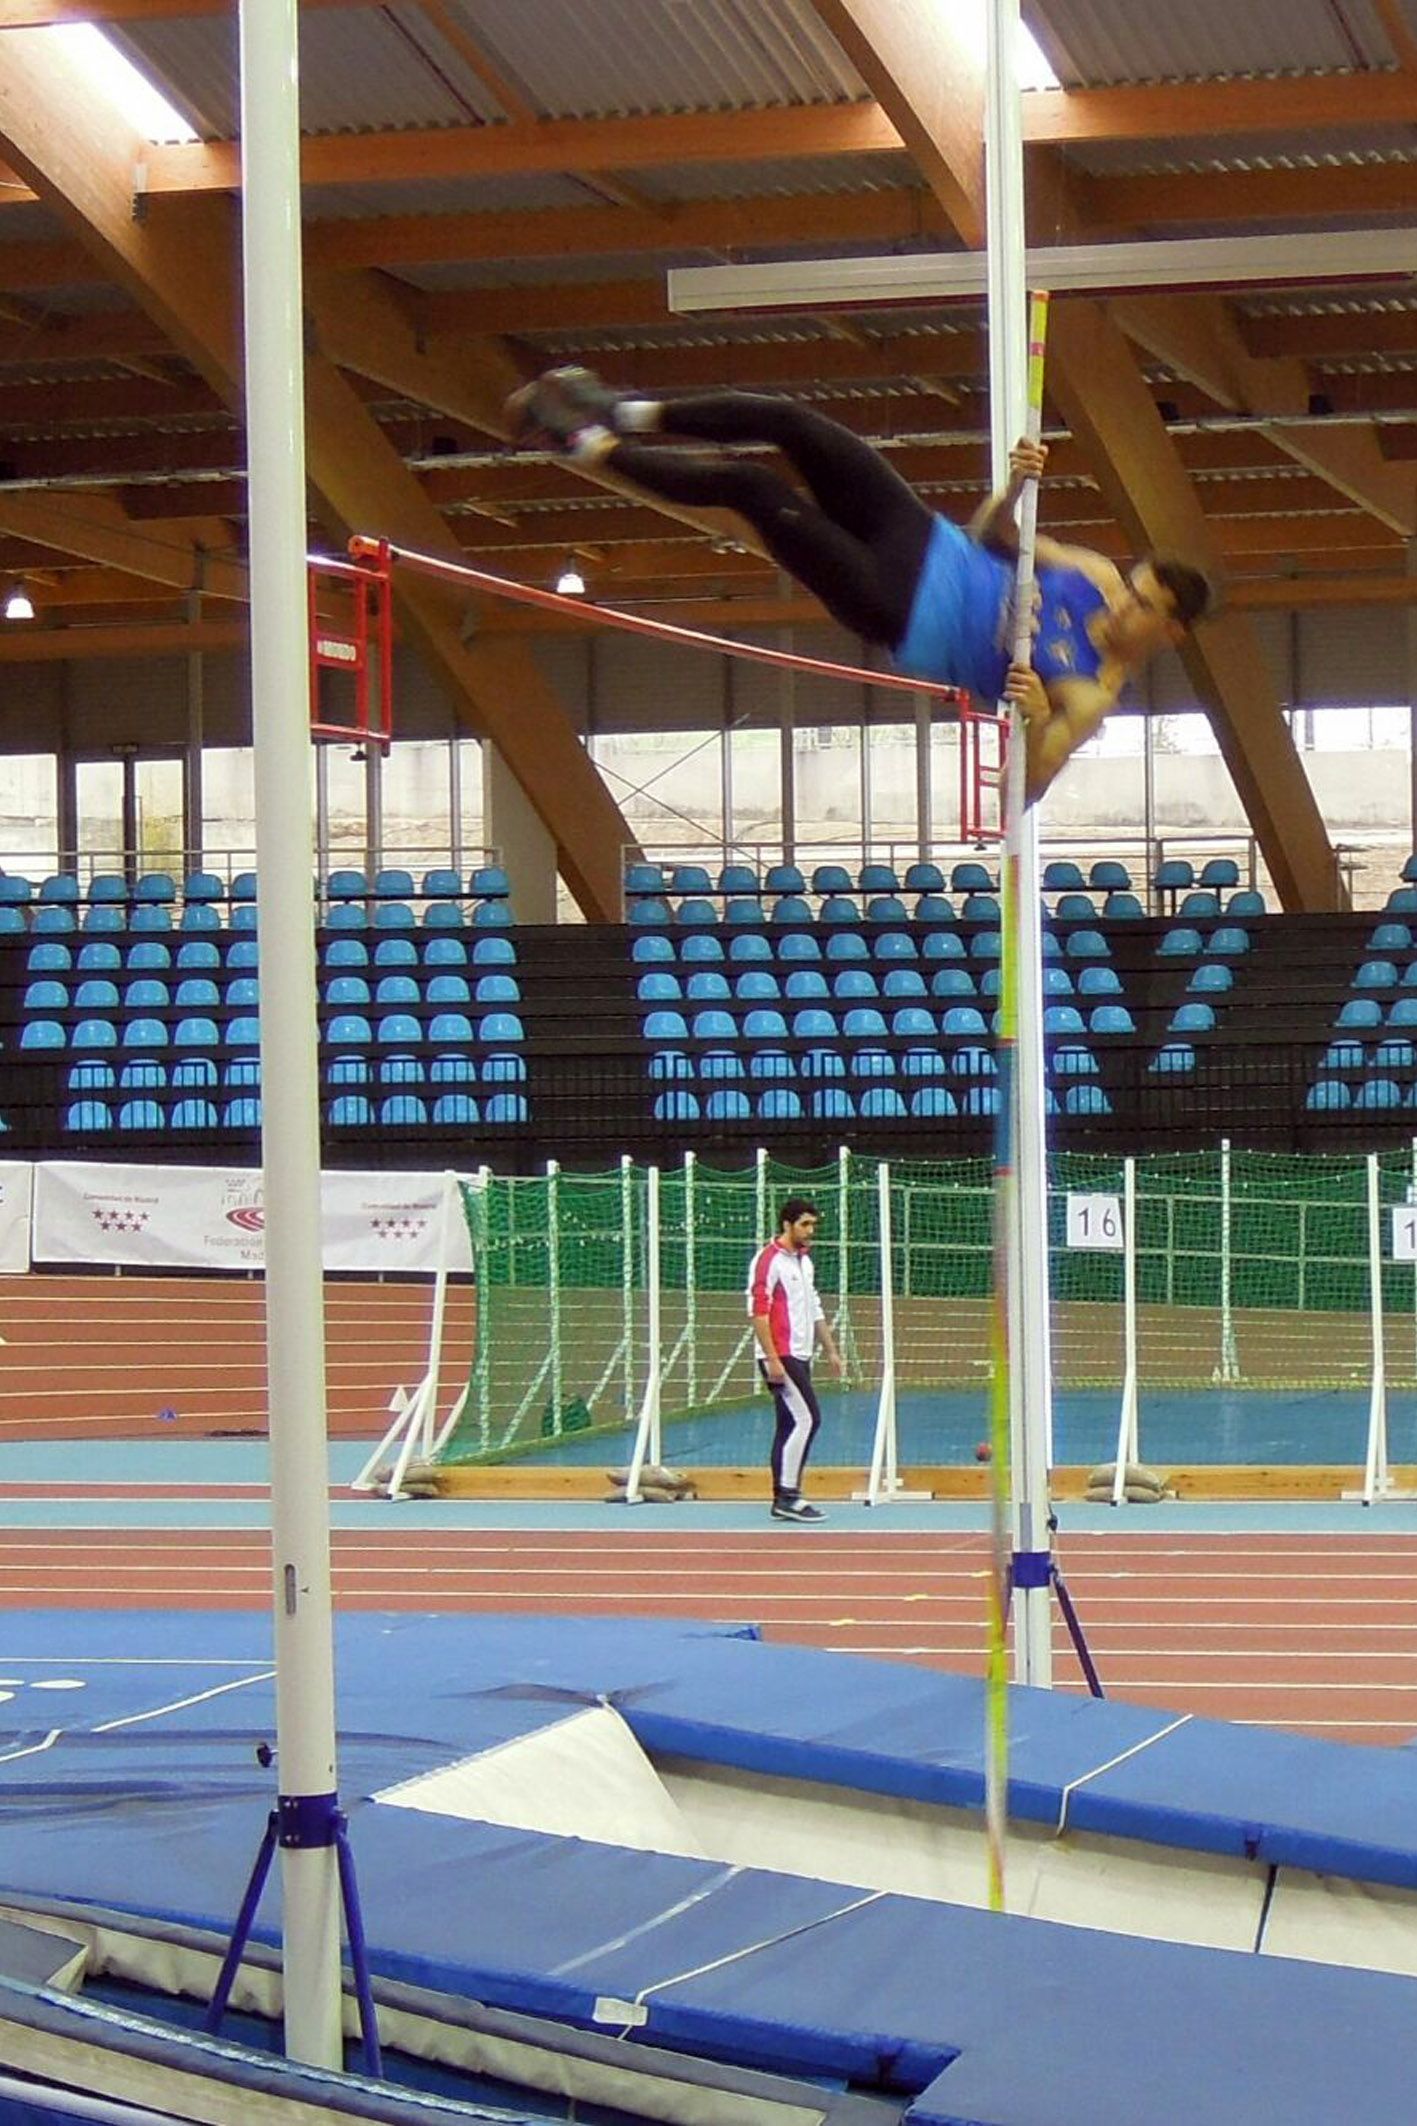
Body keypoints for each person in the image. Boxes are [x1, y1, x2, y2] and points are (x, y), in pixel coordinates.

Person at [506, 367, 1214, 803]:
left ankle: (585, 446)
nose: (1123, 602)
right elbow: (992, 536)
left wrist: (1028, 720)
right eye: (1131, 586)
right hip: (919, 534)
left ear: (1170, 631)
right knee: (793, 423)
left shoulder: (1088, 695)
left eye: (1142, 605)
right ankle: (625, 411)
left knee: (751, 487)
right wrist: (1014, 488)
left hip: (894, 605)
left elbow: (1020, 794)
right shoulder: (1089, 572)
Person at [746, 1196, 844, 1523]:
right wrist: (772, 1358)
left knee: (789, 1424)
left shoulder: (804, 1262)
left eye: (813, 1224)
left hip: (800, 1353)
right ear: (787, 1225)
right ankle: (788, 1494)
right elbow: (758, 1312)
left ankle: (782, 1494)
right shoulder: (768, 1260)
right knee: (809, 1419)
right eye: (804, 1224)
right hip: (781, 1355)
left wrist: (829, 1348)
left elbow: (814, 1307)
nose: (810, 1230)